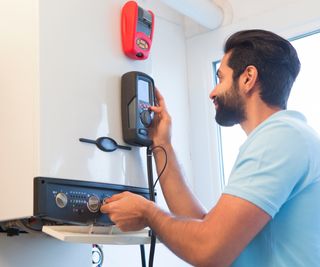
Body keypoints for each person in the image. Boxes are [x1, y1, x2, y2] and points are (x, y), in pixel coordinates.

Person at [100, 29, 320, 266]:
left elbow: (208, 248)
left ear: (248, 78)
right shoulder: (291, 136)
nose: (212, 92)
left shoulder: (280, 138)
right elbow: (202, 224)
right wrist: (162, 143)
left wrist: (149, 213)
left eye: (221, 78)